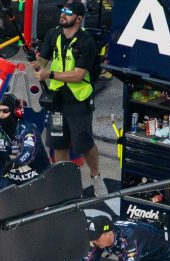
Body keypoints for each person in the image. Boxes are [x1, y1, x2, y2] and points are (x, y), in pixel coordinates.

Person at [34, 0, 104, 194]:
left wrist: (49, 74)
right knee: (58, 142)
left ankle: (96, 177)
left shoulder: (86, 41)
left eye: (68, 12)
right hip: (57, 100)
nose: (63, 14)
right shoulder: (53, 34)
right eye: (62, 11)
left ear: (78, 19)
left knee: (84, 143)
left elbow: (78, 75)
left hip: (78, 101)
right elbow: (42, 61)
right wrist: (36, 62)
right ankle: (65, 184)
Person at [0, 94, 49, 202]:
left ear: (15, 111)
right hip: (11, 184)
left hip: (38, 181)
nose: (1, 114)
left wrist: (14, 163)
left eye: (5, 111)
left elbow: (29, 152)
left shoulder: (28, 130)